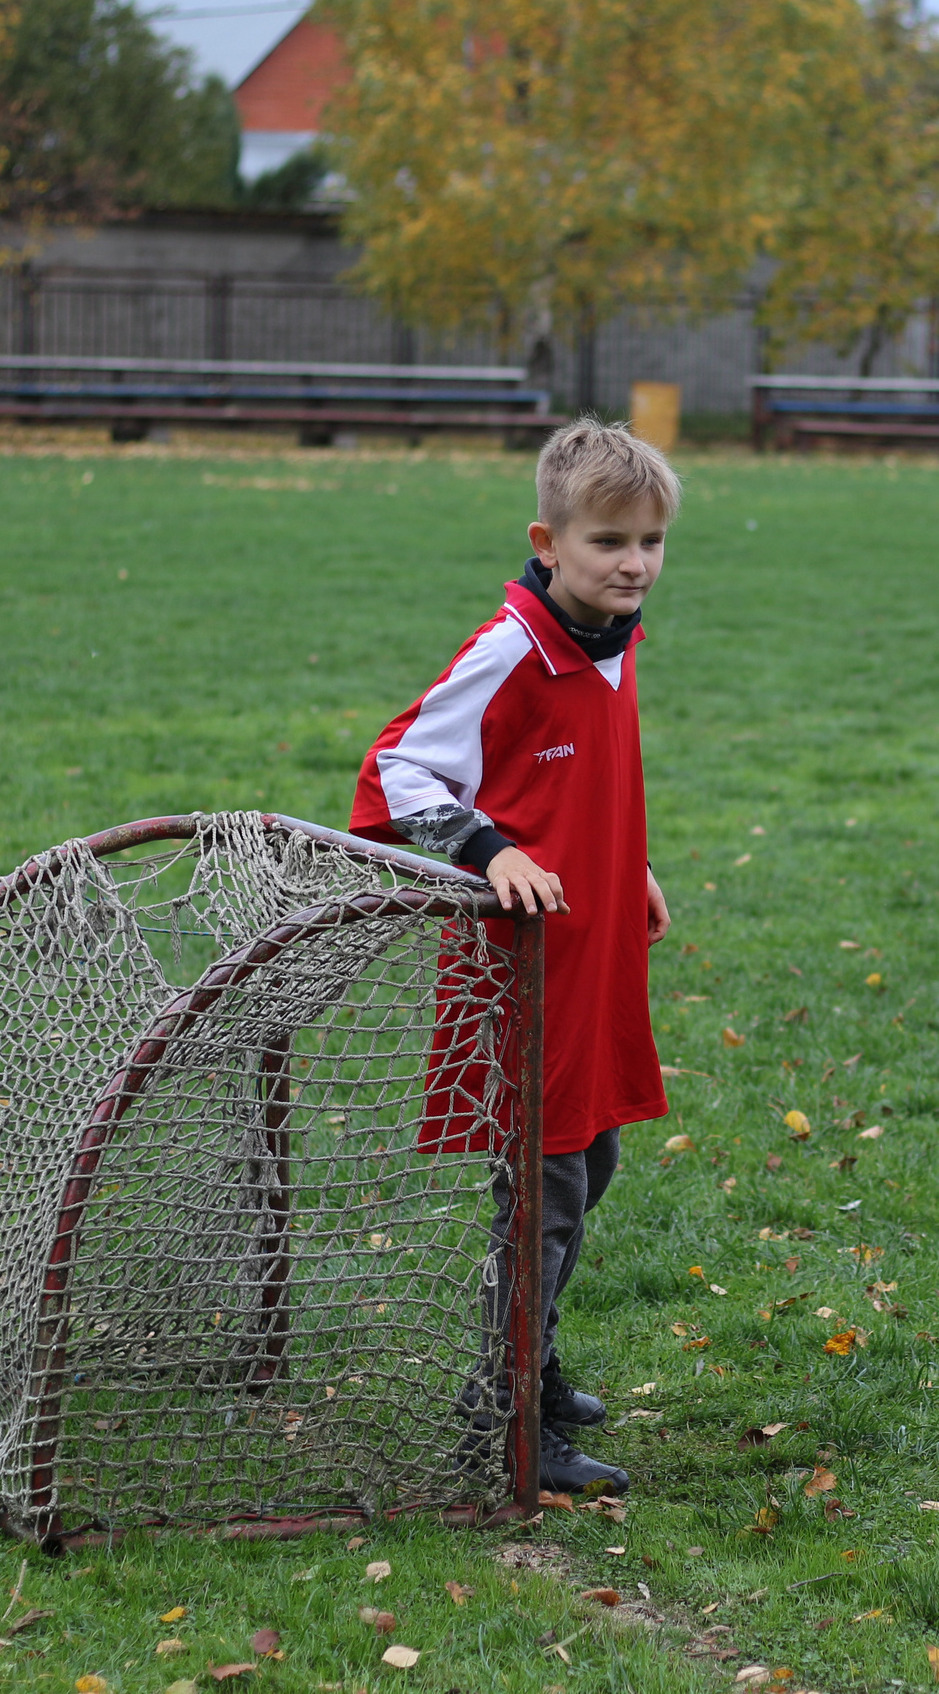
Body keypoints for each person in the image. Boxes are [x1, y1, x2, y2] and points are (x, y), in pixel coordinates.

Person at [350, 417, 678, 1498]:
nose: (633, 564)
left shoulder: (611, 638)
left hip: (592, 957)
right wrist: (490, 854)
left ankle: (528, 1362)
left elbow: (575, 779)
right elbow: (398, 773)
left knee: (592, 1165)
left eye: (651, 542)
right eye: (608, 543)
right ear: (548, 541)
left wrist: (628, 866)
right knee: (542, 1191)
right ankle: (499, 1419)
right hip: (521, 971)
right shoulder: (512, 648)